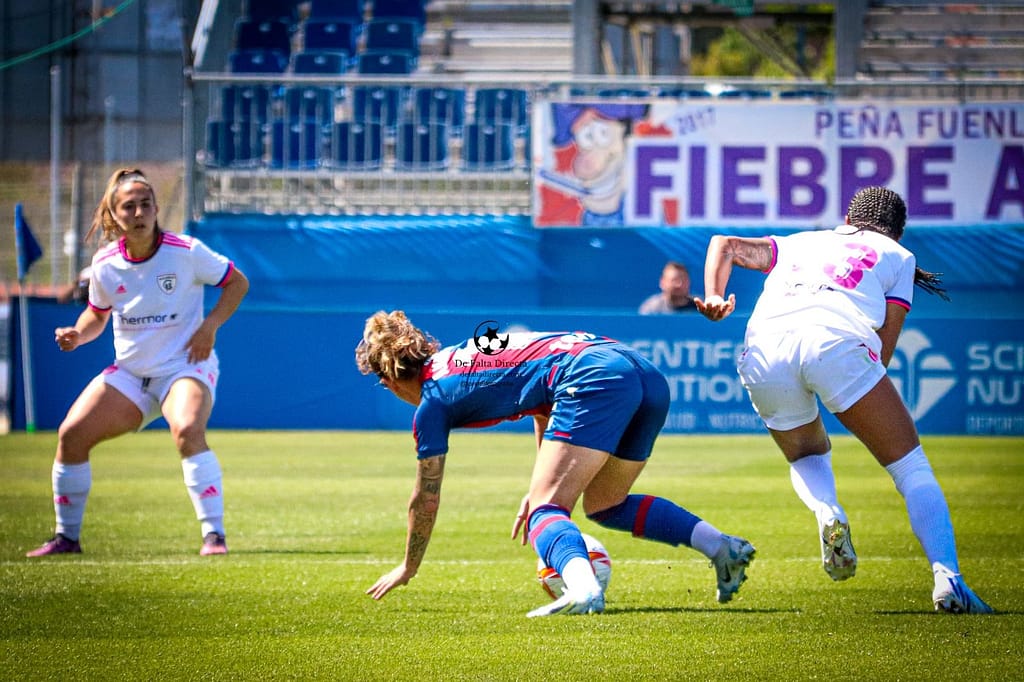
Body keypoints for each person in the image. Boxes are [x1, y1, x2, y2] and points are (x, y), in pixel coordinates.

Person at [693, 186, 992, 614]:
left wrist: (714, 296)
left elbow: (724, 244)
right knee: (910, 467)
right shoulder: (899, 256)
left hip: (764, 349)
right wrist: (853, 382)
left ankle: (828, 511)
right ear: (897, 230)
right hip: (834, 341)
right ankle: (949, 580)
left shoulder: (802, 240)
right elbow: (884, 351)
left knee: (805, 454)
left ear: (848, 218)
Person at [355, 311, 755, 617]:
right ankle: (721, 547)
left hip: (593, 377)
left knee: (545, 512)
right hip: (642, 372)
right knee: (606, 504)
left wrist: (408, 566)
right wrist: (538, 484)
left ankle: (583, 589)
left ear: (389, 380)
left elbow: (425, 498)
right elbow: (542, 404)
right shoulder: (458, 357)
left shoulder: (433, 401)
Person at [26, 167, 249, 558]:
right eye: (129, 206)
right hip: (131, 374)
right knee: (71, 435)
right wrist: (77, 333)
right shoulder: (105, 264)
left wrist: (209, 327)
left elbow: (237, 282)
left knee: (187, 430)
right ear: (115, 216)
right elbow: (96, 315)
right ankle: (67, 538)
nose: (139, 212)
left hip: (184, 367)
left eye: (146, 204)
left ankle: (214, 535)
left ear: (156, 209)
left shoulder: (186, 251)